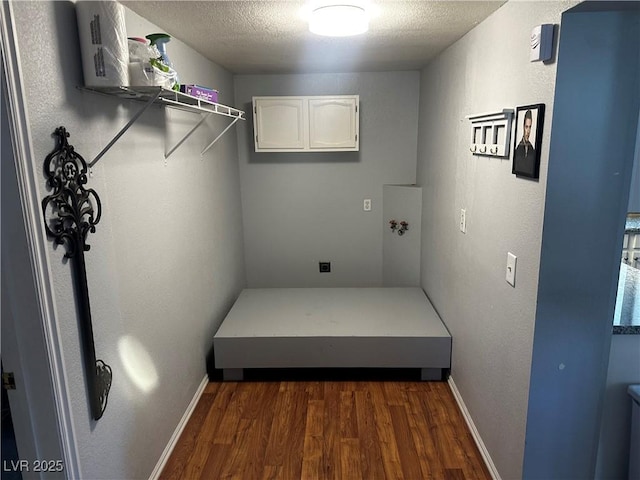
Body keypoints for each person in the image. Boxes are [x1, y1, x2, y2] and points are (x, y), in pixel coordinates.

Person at [513, 109, 536, 176]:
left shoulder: (532, 149)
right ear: (523, 127)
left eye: (530, 127)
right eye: (526, 127)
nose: (528, 131)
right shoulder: (518, 148)